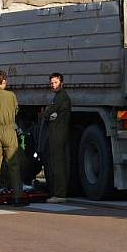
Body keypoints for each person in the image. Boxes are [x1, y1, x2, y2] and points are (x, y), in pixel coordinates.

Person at [0, 70, 27, 207]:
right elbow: (16, 111)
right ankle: (17, 197)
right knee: (13, 164)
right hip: (8, 130)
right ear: (3, 81)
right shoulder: (11, 96)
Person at [45, 73, 72, 203]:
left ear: (62, 83)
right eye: (51, 83)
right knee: (57, 163)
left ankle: (60, 194)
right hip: (58, 133)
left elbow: (47, 113)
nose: (53, 85)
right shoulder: (58, 96)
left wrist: (48, 113)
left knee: (58, 164)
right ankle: (58, 193)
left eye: (55, 82)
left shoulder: (61, 97)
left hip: (58, 134)